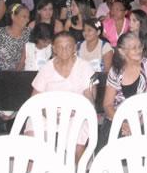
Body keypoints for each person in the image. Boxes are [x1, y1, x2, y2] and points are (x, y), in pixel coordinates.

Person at [29, 31, 96, 161]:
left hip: (76, 114)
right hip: (47, 114)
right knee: (32, 138)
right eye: (60, 46)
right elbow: (34, 99)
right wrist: (46, 113)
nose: (64, 50)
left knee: (77, 141)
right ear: (54, 48)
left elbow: (90, 100)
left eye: (68, 46)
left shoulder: (85, 67)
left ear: (75, 47)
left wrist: (75, 112)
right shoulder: (46, 68)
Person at [102, 32, 147, 140]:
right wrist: (122, 122)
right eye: (133, 48)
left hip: (145, 118)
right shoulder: (115, 71)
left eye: (139, 47)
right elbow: (107, 104)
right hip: (119, 117)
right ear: (121, 51)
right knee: (112, 144)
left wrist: (134, 125)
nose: (138, 50)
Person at [0, 3, 31, 71]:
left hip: (18, 74)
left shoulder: (28, 34)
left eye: (28, 17)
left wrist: (15, 76)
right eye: (24, 17)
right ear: (13, 17)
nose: (27, 20)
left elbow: (23, 59)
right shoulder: (0, 33)